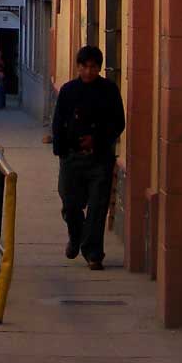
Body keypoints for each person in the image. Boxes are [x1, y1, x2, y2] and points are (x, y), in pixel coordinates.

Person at [51, 45, 126, 270]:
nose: (88, 72)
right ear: (78, 67)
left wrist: (97, 139)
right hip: (71, 158)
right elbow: (58, 122)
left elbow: (118, 122)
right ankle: (77, 237)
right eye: (84, 67)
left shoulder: (109, 91)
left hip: (100, 159)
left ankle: (93, 253)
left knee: (97, 206)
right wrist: (62, 148)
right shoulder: (68, 91)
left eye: (93, 67)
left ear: (99, 68)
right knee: (70, 203)